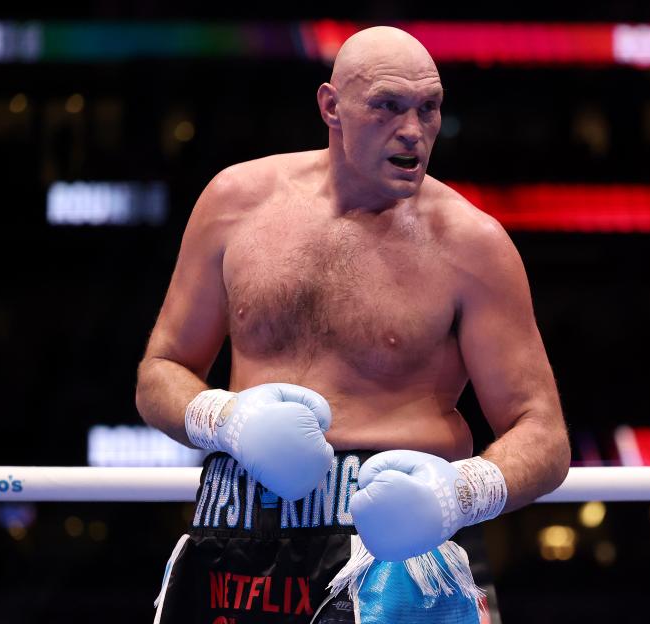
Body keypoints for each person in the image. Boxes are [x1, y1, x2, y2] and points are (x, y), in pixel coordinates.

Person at [136, 25, 569, 624]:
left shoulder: (473, 245)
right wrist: (228, 421)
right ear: (331, 107)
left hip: (398, 553)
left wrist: (458, 493)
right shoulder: (234, 202)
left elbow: (543, 435)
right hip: (233, 534)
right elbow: (160, 373)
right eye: (388, 106)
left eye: (429, 108)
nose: (413, 132)